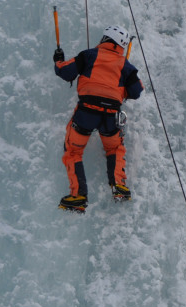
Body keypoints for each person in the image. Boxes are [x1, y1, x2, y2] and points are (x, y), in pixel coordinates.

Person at [53, 25, 144, 213]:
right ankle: (119, 185)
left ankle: (78, 196)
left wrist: (58, 60)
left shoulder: (88, 55)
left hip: (87, 112)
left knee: (73, 151)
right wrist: (120, 90)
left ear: (105, 39)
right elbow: (137, 91)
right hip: (111, 116)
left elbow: (66, 72)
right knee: (114, 148)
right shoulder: (126, 66)